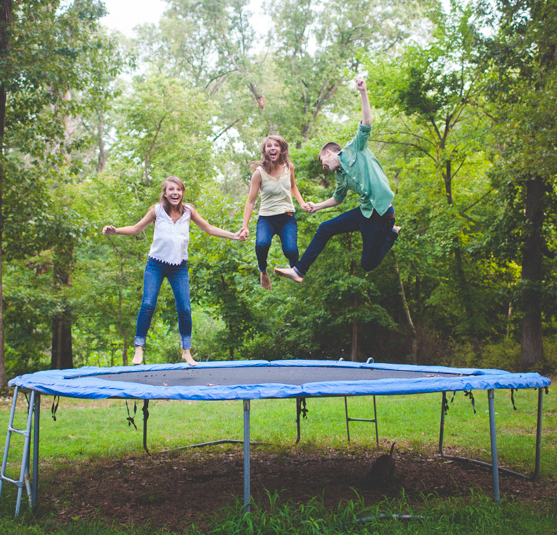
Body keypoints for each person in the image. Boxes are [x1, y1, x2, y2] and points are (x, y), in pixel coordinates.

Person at [102, 176, 244, 366]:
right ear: (165, 193)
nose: (175, 192)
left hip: (179, 267)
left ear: (183, 192)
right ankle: (139, 348)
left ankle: (186, 351)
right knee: (148, 304)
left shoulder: (188, 211)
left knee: (184, 308)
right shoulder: (157, 211)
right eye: (171, 189)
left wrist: (234, 236)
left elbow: (208, 228)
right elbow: (136, 228)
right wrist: (116, 230)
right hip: (156, 265)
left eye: (178, 189)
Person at [274, 77, 400, 283]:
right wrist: (317, 207)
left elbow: (367, 122)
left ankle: (392, 234)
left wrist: (363, 92)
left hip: (383, 215)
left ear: (331, 153)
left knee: (367, 265)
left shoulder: (355, 148)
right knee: (325, 228)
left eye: (323, 161)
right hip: (365, 212)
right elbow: (338, 199)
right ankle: (299, 271)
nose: (323, 167)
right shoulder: (340, 176)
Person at [237, 135, 311, 289]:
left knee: (291, 249)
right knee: (262, 244)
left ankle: (296, 270)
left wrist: (302, 203)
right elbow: (251, 201)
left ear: (281, 149)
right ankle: (263, 271)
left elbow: (292, 186)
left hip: (287, 217)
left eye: (276, 145)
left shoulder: (289, 167)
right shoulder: (259, 173)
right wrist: (245, 226)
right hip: (267, 218)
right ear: (265, 150)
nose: (272, 148)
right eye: (269, 146)